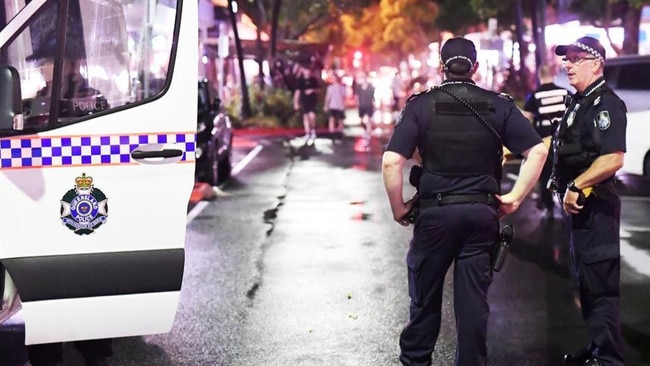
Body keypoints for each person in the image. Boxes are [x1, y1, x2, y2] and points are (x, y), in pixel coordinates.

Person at [381, 37, 547, 366]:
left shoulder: (420, 105)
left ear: (441, 68)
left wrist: (399, 206)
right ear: (475, 67)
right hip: (480, 217)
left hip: (434, 217)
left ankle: (416, 360)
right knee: (473, 304)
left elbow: (391, 162)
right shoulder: (498, 105)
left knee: (425, 300)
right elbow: (538, 150)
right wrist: (513, 198)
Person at [24, 53, 113, 366]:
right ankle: (55, 353)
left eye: (46, 62)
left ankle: (90, 353)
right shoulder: (38, 101)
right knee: (52, 282)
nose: (43, 69)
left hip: (77, 198)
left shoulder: (89, 99)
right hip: (54, 202)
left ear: (72, 62)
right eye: (41, 64)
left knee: (82, 280)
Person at [551, 36, 626, 366]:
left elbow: (613, 159)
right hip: (582, 213)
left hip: (598, 211)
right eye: (566, 59)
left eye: (576, 58)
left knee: (601, 288)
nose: (567, 64)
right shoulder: (579, 102)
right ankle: (598, 348)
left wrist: (576, 185)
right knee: (587, 284)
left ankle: (609, 359)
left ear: (596, 63)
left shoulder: (606, 105)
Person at [523, 65, 571, 219]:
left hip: (543, 142)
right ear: (554, 75)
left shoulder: (535, 96)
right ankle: (565, 202)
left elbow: (526, 119)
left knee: (545, 174)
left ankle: (548, 205)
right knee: (563, 172)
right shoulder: (564, 92)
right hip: (563, 141)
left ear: (539, 76)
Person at [293, 66, 320, 140]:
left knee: (312, 115)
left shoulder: (313, 80)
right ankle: (307, 132)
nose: (307, 72)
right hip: (304, 100)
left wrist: (312, 90)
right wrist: (296, 103)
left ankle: (313, 130)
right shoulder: (300, 81)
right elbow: (297, 92)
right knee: (305, 116)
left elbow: (318, 90)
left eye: (308, 71)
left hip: (312, 100)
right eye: (306, 71)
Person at [353, 73, 375, 144]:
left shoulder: (370, 86)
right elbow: (356, 96)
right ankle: (365, 130)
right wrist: (356, 103)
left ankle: (368, 133)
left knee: (369, 119)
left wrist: (374, 103)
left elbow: (373, 96)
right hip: (361, 105)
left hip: (369, 105)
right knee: (361, 120)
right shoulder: (358, 87)